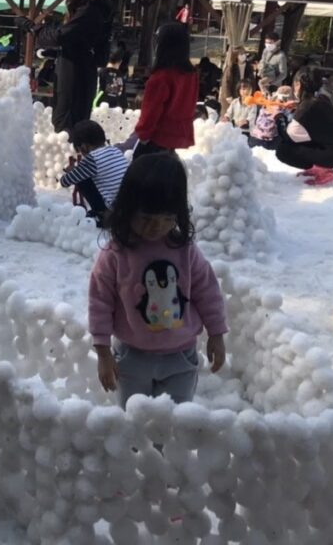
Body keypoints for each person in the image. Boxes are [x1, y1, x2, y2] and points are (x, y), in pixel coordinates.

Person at [88, 152, 228, 407]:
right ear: (127, 209)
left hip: (180, 356)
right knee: (134, 419)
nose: (156, 227)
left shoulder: (184, 250)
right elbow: (100, 302)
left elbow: (207, 292)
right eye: (146, 218)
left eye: (167, 218)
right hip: (131, 356)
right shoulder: (116, 254)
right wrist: (103, 351)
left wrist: (216, 333)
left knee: (176, 420)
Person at [35, 0, 112, 133]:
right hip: (82, 69)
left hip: (75, 72)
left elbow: (61, 36)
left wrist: (36, 30)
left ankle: (69, 149)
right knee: (72, 119)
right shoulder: (95, 11)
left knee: (66, 122)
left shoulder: (88, 12)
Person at [118, 22, 198, 158]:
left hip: (156, 139)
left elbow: (150, 114)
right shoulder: (191, 75)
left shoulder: (160, 78)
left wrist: (142, 136)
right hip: (179, 136)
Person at [273, 66, 333, 184]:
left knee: (284, 149)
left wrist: (278, 116)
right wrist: (298, 105)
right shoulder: (322, 98)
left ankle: (323, 169)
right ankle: (318, 166)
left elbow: (288, 135)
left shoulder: (306, 108)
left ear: (298, 85)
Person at [60, 119, 129, 223]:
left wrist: (72, 171)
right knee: (84, 173)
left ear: (83, 146)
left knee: (82, 179)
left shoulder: (92, 159)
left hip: (113, 209)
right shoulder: (115, 150)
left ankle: (102, 214)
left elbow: (65, 182)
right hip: (127, 203)